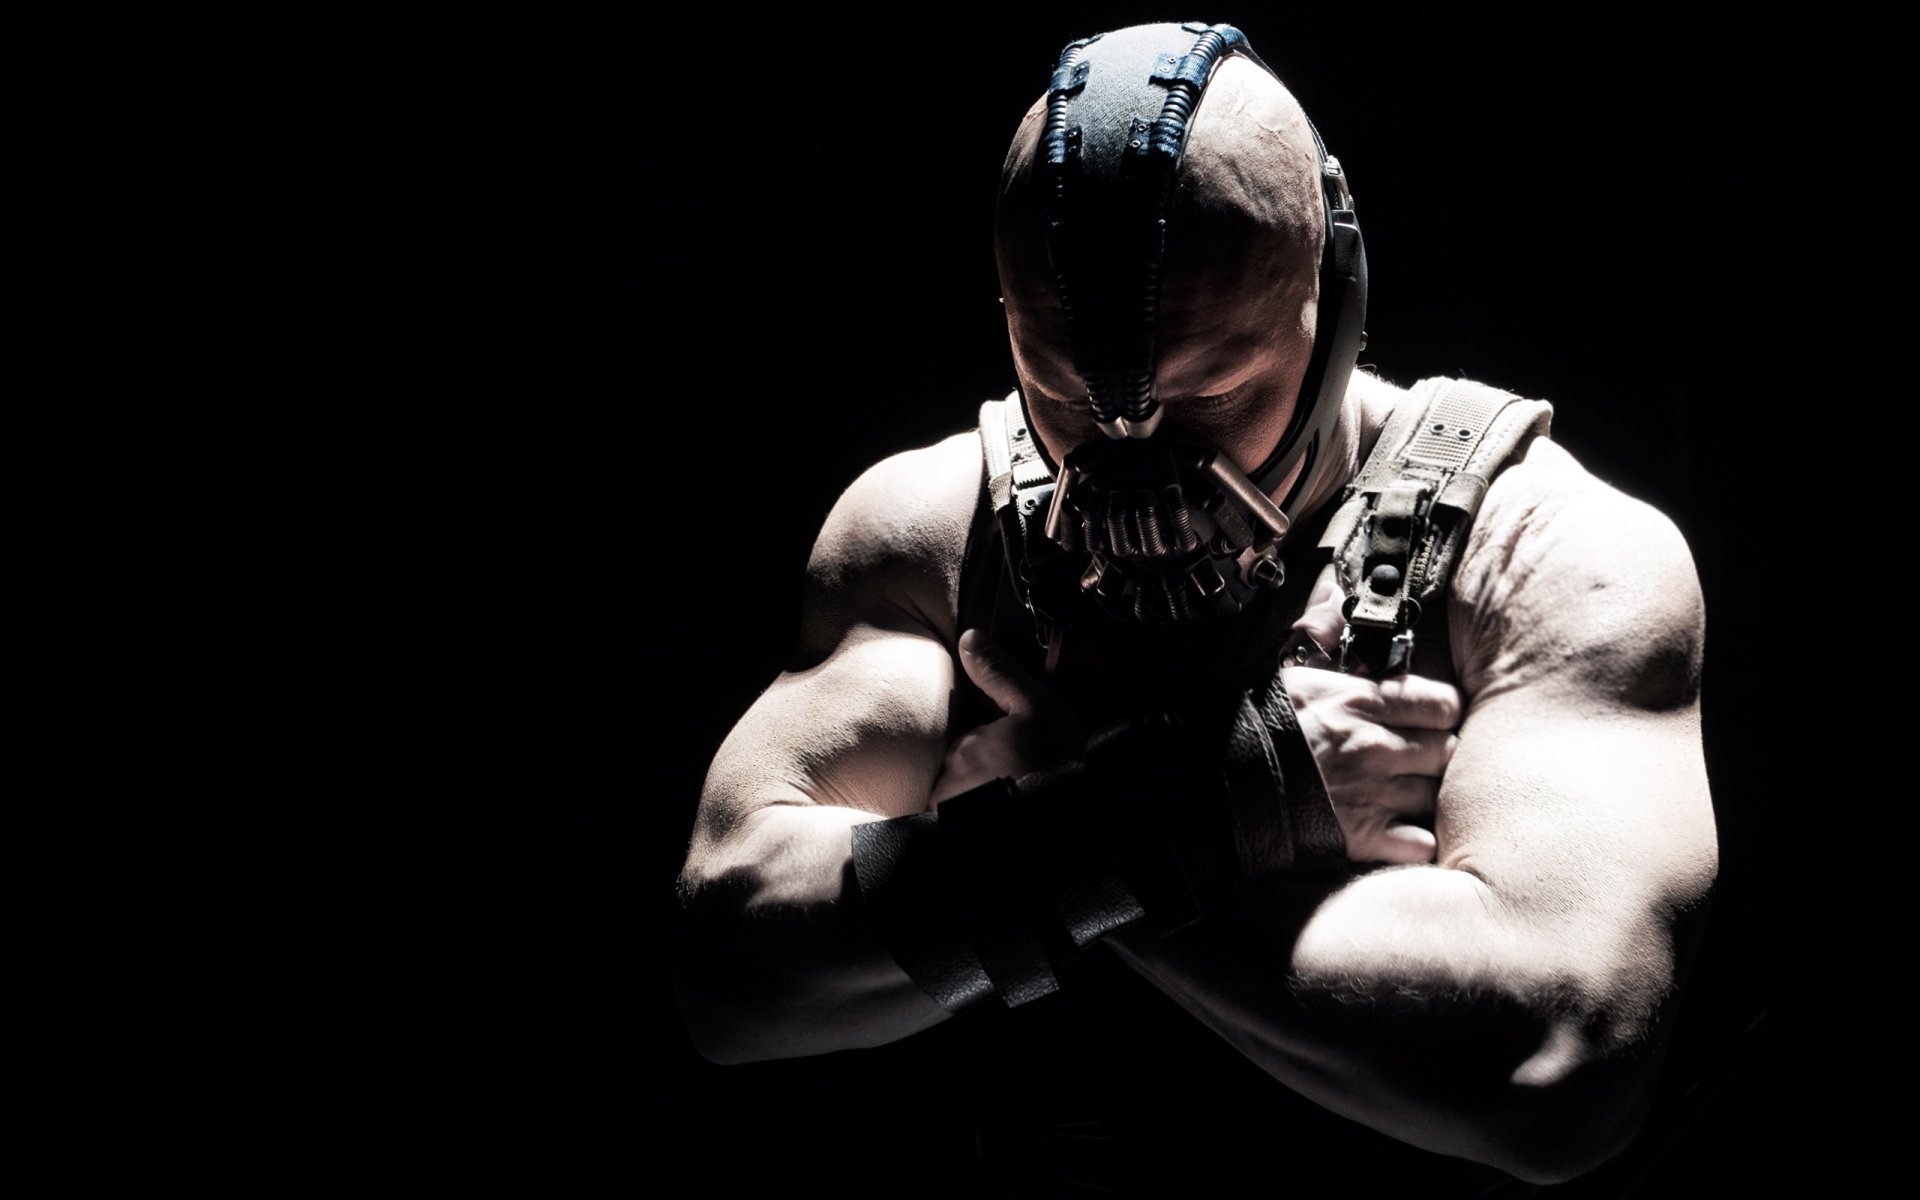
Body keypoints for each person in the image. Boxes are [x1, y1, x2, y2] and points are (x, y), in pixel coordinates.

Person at [671, 21, 1717, 1195]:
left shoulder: (1547, 554)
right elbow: (728, 974)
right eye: (1067, 398)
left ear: (1330, 303)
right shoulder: (935, 534)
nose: (1136, 464)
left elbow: (1559, 1063)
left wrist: (1036, 829)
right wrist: (1204, 803)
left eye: (1213, 397)